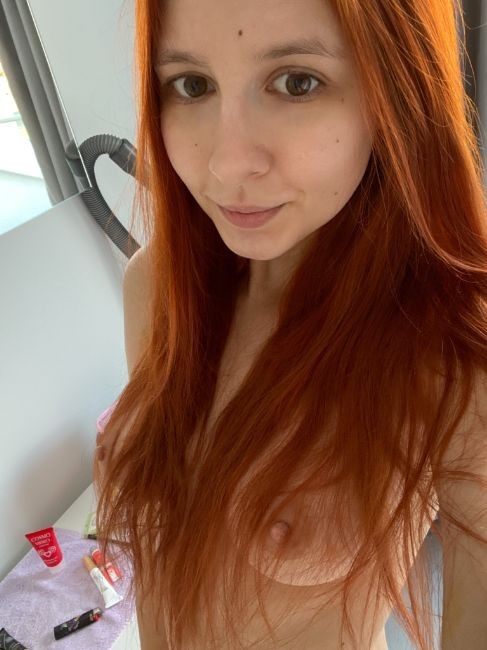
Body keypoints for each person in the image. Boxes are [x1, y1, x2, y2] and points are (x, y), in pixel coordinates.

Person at [93, 0, 487, 648]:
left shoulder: (448, 348)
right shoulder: (157, 285)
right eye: (192, 84)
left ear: (395, 94)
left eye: (297, 82)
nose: (226, 165)